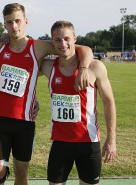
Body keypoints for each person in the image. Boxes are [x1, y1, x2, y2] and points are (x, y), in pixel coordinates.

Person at [0, 3, 93, 185]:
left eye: (17, 21)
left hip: (25, 123)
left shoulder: (38, 47)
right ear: (4, 25)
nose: (14, 26)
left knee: (21, 173)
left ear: (26, 21)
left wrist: (84, 68)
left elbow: (81, 49)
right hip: (0, 122)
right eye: (9, 22)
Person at [40, 21, 116, 185]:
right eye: (57, 40)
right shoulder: (48, 67)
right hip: (60, 143)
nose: (63, 44)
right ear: (52, 42)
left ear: (75, 39)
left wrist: (111, 139)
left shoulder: (95, 67)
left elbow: (109, 102)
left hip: (88, 143)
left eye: (67, 38)